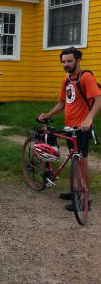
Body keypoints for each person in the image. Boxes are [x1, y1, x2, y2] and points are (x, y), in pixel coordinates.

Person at [38, 46, 101, 211]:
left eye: (69, 61)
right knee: (74, 159)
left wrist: (89, 118)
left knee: (82, 161)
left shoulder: (86, 77)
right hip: (69, 127)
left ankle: (84, 199)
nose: (66, 64)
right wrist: (48, 113)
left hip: (82, 128)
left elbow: (98, 99)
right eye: (63, 61)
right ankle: (75, 192)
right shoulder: (66, 80)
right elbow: (62, 103)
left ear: (78, 60)